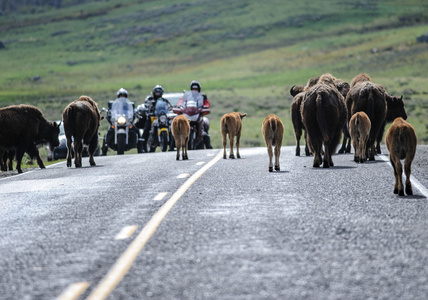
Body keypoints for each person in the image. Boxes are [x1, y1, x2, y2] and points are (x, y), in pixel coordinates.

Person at [102, 88, 140, 155]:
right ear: (118, 96)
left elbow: (132, 112)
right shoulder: (114, 104)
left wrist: (134, 113)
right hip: (117, 122)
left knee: (136, 131)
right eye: (121, 96)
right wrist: (109, 113)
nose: (122, 97)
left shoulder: (128, 105)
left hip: (127, 122)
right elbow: (111, 111)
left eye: (123, 96)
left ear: (126, 96)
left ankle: (141, 149)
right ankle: (104, 151)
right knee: (108, 132)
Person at [177, 80, 212, 149]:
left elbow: (207, 103)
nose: (194, 90)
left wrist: (205, 107)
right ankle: (173, 144)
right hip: (189, 113)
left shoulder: (203, 96)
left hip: (198, 114)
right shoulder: (187, 96)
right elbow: (181, 101)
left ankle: (208, 145)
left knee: (205, 123)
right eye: (193, 89)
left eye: (196, 89)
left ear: (199, 89)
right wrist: (180, 106)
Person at [138, 85, 172, 152]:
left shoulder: (164, 100)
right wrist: (147, 109)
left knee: (171, 127)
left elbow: (169, 107)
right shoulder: (150, 99)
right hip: (152, 116)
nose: (158, 93)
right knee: (147, 129)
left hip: (162, 117)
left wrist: (171, 109)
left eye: (159, 92)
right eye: (156, 92)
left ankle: (172, 144)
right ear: (154, 92)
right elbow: (146, 105)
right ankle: (143, 147)